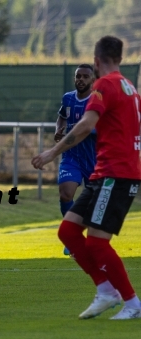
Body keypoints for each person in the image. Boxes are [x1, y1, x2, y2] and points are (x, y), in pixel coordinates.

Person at [32, 36, 141, 320]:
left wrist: (52, 152)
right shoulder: (129, 87)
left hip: (116, 174)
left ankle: (132, 302)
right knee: (67, 232)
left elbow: (85, 125)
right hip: (104, 173)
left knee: (96, 243)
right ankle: (105, 290)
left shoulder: (105, 84)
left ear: (96, 61)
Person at [55, 64, 96, 256]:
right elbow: (62, 117)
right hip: (71, 155)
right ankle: (72, 239)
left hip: (94, 157)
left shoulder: (97, 101)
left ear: (92, 79)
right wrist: (59, 129)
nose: (80, 79)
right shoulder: (68, 98)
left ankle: (88, 238)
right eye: (78, 76)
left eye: (85, 76)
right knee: (66, 193)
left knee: (94, 203)